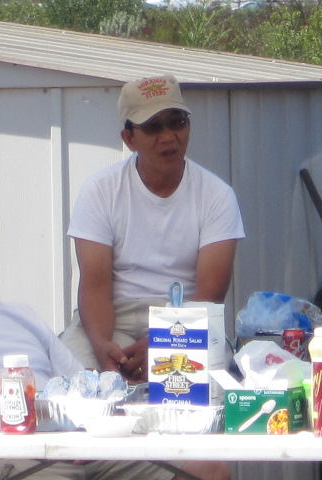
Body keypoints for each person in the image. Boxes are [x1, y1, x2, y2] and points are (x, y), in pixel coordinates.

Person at [0, 191, 231, 480]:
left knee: (209, 470)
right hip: (5, 457)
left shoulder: (21, 315)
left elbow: (81, 386)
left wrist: (90, 429)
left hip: (79, 447)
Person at [60, 74, 245, 383]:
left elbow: (210, 296)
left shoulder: (217, 195)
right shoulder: (100, 190)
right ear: (129, 139)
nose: (168, 136)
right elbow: (94, 288)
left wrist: (163, 343)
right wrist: (105, 352)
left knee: (197, 385)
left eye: (177, 122)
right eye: (153, 127)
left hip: (184, 318)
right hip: (112, 318)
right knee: (76, 380)